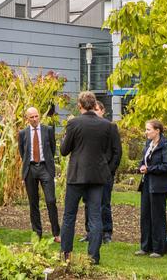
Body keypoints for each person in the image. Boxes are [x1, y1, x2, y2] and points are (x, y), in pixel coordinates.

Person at [59, 91, 116, 265]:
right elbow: (113, 151)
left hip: (77, 175)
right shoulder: (107, 125)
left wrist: (65, 139)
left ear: (80, 105)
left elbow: (64, 150)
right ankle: (93, 257)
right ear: (94, 104)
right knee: (95, 217)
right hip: (97, 176)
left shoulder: (74, 123)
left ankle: (66, 254)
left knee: (69, 215)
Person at [81, 100, 121, 244]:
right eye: (93, 110)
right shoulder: (86, 127)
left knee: (104, 203)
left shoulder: (110, 127)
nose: (95, 112)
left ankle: (106, 232)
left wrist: (110, 171)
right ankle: (90, 232)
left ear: (103, 111)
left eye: (97, 110)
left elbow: (117, 152)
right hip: (89, 173)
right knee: (88, 203)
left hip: (105, 173)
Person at [18, 106, 60, 242]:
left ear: (39, 116)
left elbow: (52, 149)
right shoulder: (23, 133)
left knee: (51, 200)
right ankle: (37, 234)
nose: (35, 119)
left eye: (36, 116)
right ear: (27, 119)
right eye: (32, 117)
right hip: (30, 169)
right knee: (33, 203)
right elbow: (22, 153)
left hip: (45, 168)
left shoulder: (47, 130)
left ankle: (56, 233)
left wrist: (47, 164)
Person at [136, 119, 167, 258]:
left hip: (159, 185)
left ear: (157, 130)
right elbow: (145, 160)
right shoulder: (148, 144)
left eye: (148, 129)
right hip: (147, 183)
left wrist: (149, 169)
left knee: (157, 216)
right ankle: (145, 246)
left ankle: (158, 248)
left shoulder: (166, 145)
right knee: (145, 214)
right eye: (146, 129)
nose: (146, 132)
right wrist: (141, 166)